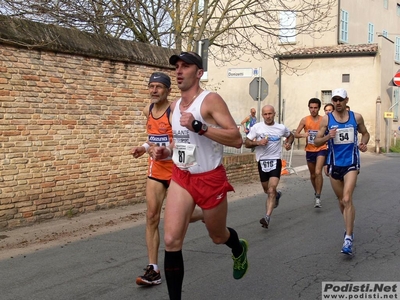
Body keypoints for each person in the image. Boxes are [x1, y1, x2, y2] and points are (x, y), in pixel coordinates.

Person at [152, 51, 248, 300]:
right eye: (177, 67)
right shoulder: (173, 106)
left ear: (199, 72)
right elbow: (182, 143)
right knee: (171, 240)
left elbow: (236, 139)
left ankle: (238, 248)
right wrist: (167, 151)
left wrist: (200, 126)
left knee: (217, 236)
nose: (179, 71)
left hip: (210, 178)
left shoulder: (210, 100)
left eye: (186, 66)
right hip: (182, 176)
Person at [131, 72, 202, 286]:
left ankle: (205, 213)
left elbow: (187, 141)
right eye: (151, 86)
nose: (154, 90)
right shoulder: (148, 110)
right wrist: (144, 148)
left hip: (178, 168)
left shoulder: (174, 111)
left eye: (159, 87)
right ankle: (153, 269)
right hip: (156, 170)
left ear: (168, 91)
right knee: (152, 216)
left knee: (180, 217)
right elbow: (152, 138)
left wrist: (169, 152)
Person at [314, 88, 369, 256]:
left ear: (346, 100)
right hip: (334, 164)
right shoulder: (326, 119)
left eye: (340, 99)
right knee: (341, 201)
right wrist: (327, 137)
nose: (337, 102)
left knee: (347, 198)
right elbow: (316, 142)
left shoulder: (356, 117)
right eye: (335, 99)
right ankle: (348, 226)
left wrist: (364, 143)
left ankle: (349, 238)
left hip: (351, 163)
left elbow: (365, 133)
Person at [244, 105, 294, 229]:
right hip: (262, 161)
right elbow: (246, 143)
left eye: (270, 114)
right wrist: (257, 142)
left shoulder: (281, 128)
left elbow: (291, 135)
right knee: (267, 190)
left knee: (271, 190)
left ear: (274, 114)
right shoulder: (257, 127)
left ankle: (267, 217)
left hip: (275, 161)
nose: (268, 116)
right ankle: (277, 195)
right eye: (265, 114)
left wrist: (288, 143)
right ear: (262, 115)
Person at [294, 98, 328, 208]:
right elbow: (296, 134)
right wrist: (304, 135)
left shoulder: (324, 119)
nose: (313, 110)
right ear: (309, 108)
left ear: (318, 108)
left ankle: (318, 196)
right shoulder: (304, 120)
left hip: (321, 148)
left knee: (318, 172)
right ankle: (316, 191)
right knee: (313, 174)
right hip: (309, 149)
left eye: (315, 108)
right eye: (311, 107)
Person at [323, 103, 334, 176]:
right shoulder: (323, 121)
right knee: (327, 172)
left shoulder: (337, 121)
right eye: (326, 110)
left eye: (330, 110)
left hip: (335, 149)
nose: (328, 112)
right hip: (325, 148)